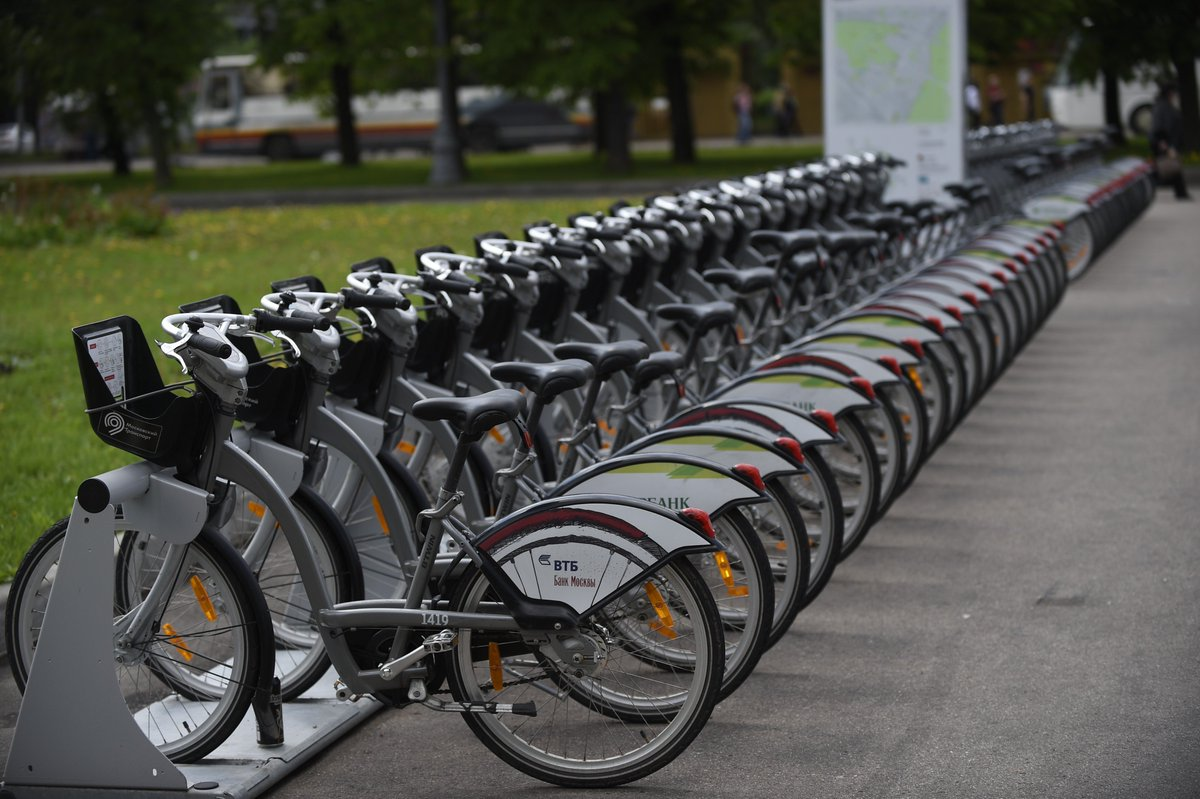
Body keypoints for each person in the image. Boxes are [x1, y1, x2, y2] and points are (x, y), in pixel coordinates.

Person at [1150, 82, 1192, 200]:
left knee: (1171, 166)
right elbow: (1160, 126)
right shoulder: (1163, 107)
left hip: (1169, 141)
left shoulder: (1165, 106)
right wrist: (1163, 142)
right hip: (1165, 142)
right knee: (1171, 166)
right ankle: (1181, 192)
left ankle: (1181, 192)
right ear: (1170, 93)